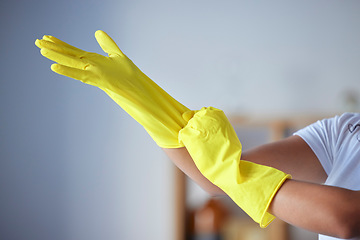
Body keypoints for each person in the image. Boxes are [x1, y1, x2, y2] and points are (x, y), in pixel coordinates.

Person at [35, 30, 360, 239]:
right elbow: (214, 179)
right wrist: (140, 98)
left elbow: (345, 219)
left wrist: (233, 176)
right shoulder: (344, 130)